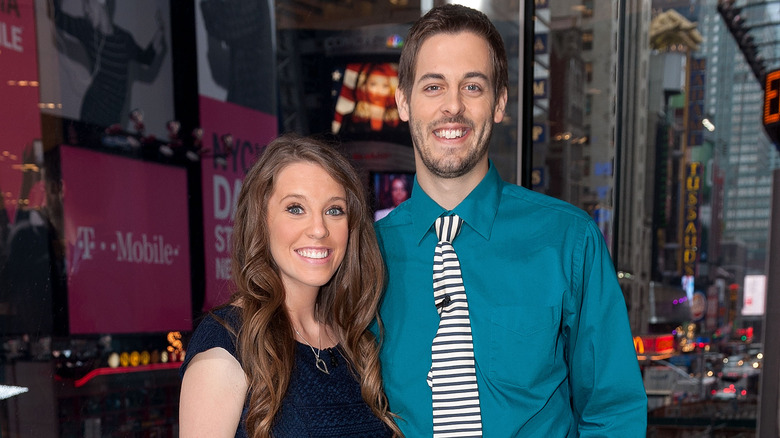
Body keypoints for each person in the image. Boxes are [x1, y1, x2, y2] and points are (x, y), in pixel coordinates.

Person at [374, 4, 647, 436]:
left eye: (473, 86)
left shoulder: (569, 241)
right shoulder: (366, 254)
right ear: (404, 102)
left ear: (499, 103)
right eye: (433, 86)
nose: (453, 106)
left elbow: (613, 411)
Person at [179, 134, 401, 437]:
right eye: (296, 208)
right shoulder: (228, 344)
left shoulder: (355, 340)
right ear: (261, 221)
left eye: (334, 210)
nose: (319, 229)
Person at [50, 0, 167, 128]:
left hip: (113, 119)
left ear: (101, 2)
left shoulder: (124, 39)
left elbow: (147, 58)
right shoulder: (88, 32)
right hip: (92, 115)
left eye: (87, 5)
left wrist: (160, 30)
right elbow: (57, 16)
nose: (86, 11)